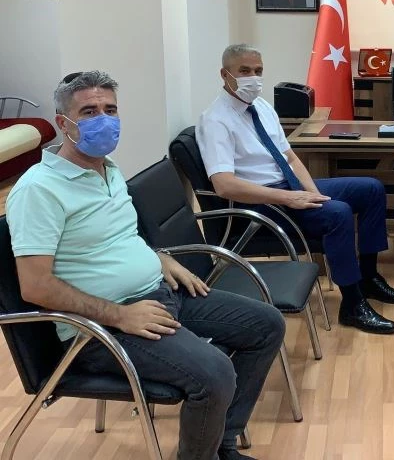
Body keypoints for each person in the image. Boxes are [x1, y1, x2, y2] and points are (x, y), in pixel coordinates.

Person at [6, 71, 283, 460]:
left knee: (267, 325)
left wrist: (158, 256)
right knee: (215, 373)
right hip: (101, 330)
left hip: (158, 296)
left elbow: (115, 236)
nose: (104, 119)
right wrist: (119, 315)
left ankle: (222, 446)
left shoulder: (106, 168)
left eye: (110, 109)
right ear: (63, 123)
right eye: (89, 111)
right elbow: (35, 286)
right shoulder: (39, 190)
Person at [196, 44, 394, 336]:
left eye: (258, 71)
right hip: (261, 203)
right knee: (338, 213)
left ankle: (368, 278)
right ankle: (352, 303)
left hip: (288, 188)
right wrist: (289, 197)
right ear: (225, 74)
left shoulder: (261, 107)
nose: (253, 78)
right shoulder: (215, 120)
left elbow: (291, 158)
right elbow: (224, 185)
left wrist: (312, 193)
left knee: (371, 189)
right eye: (244, 71)